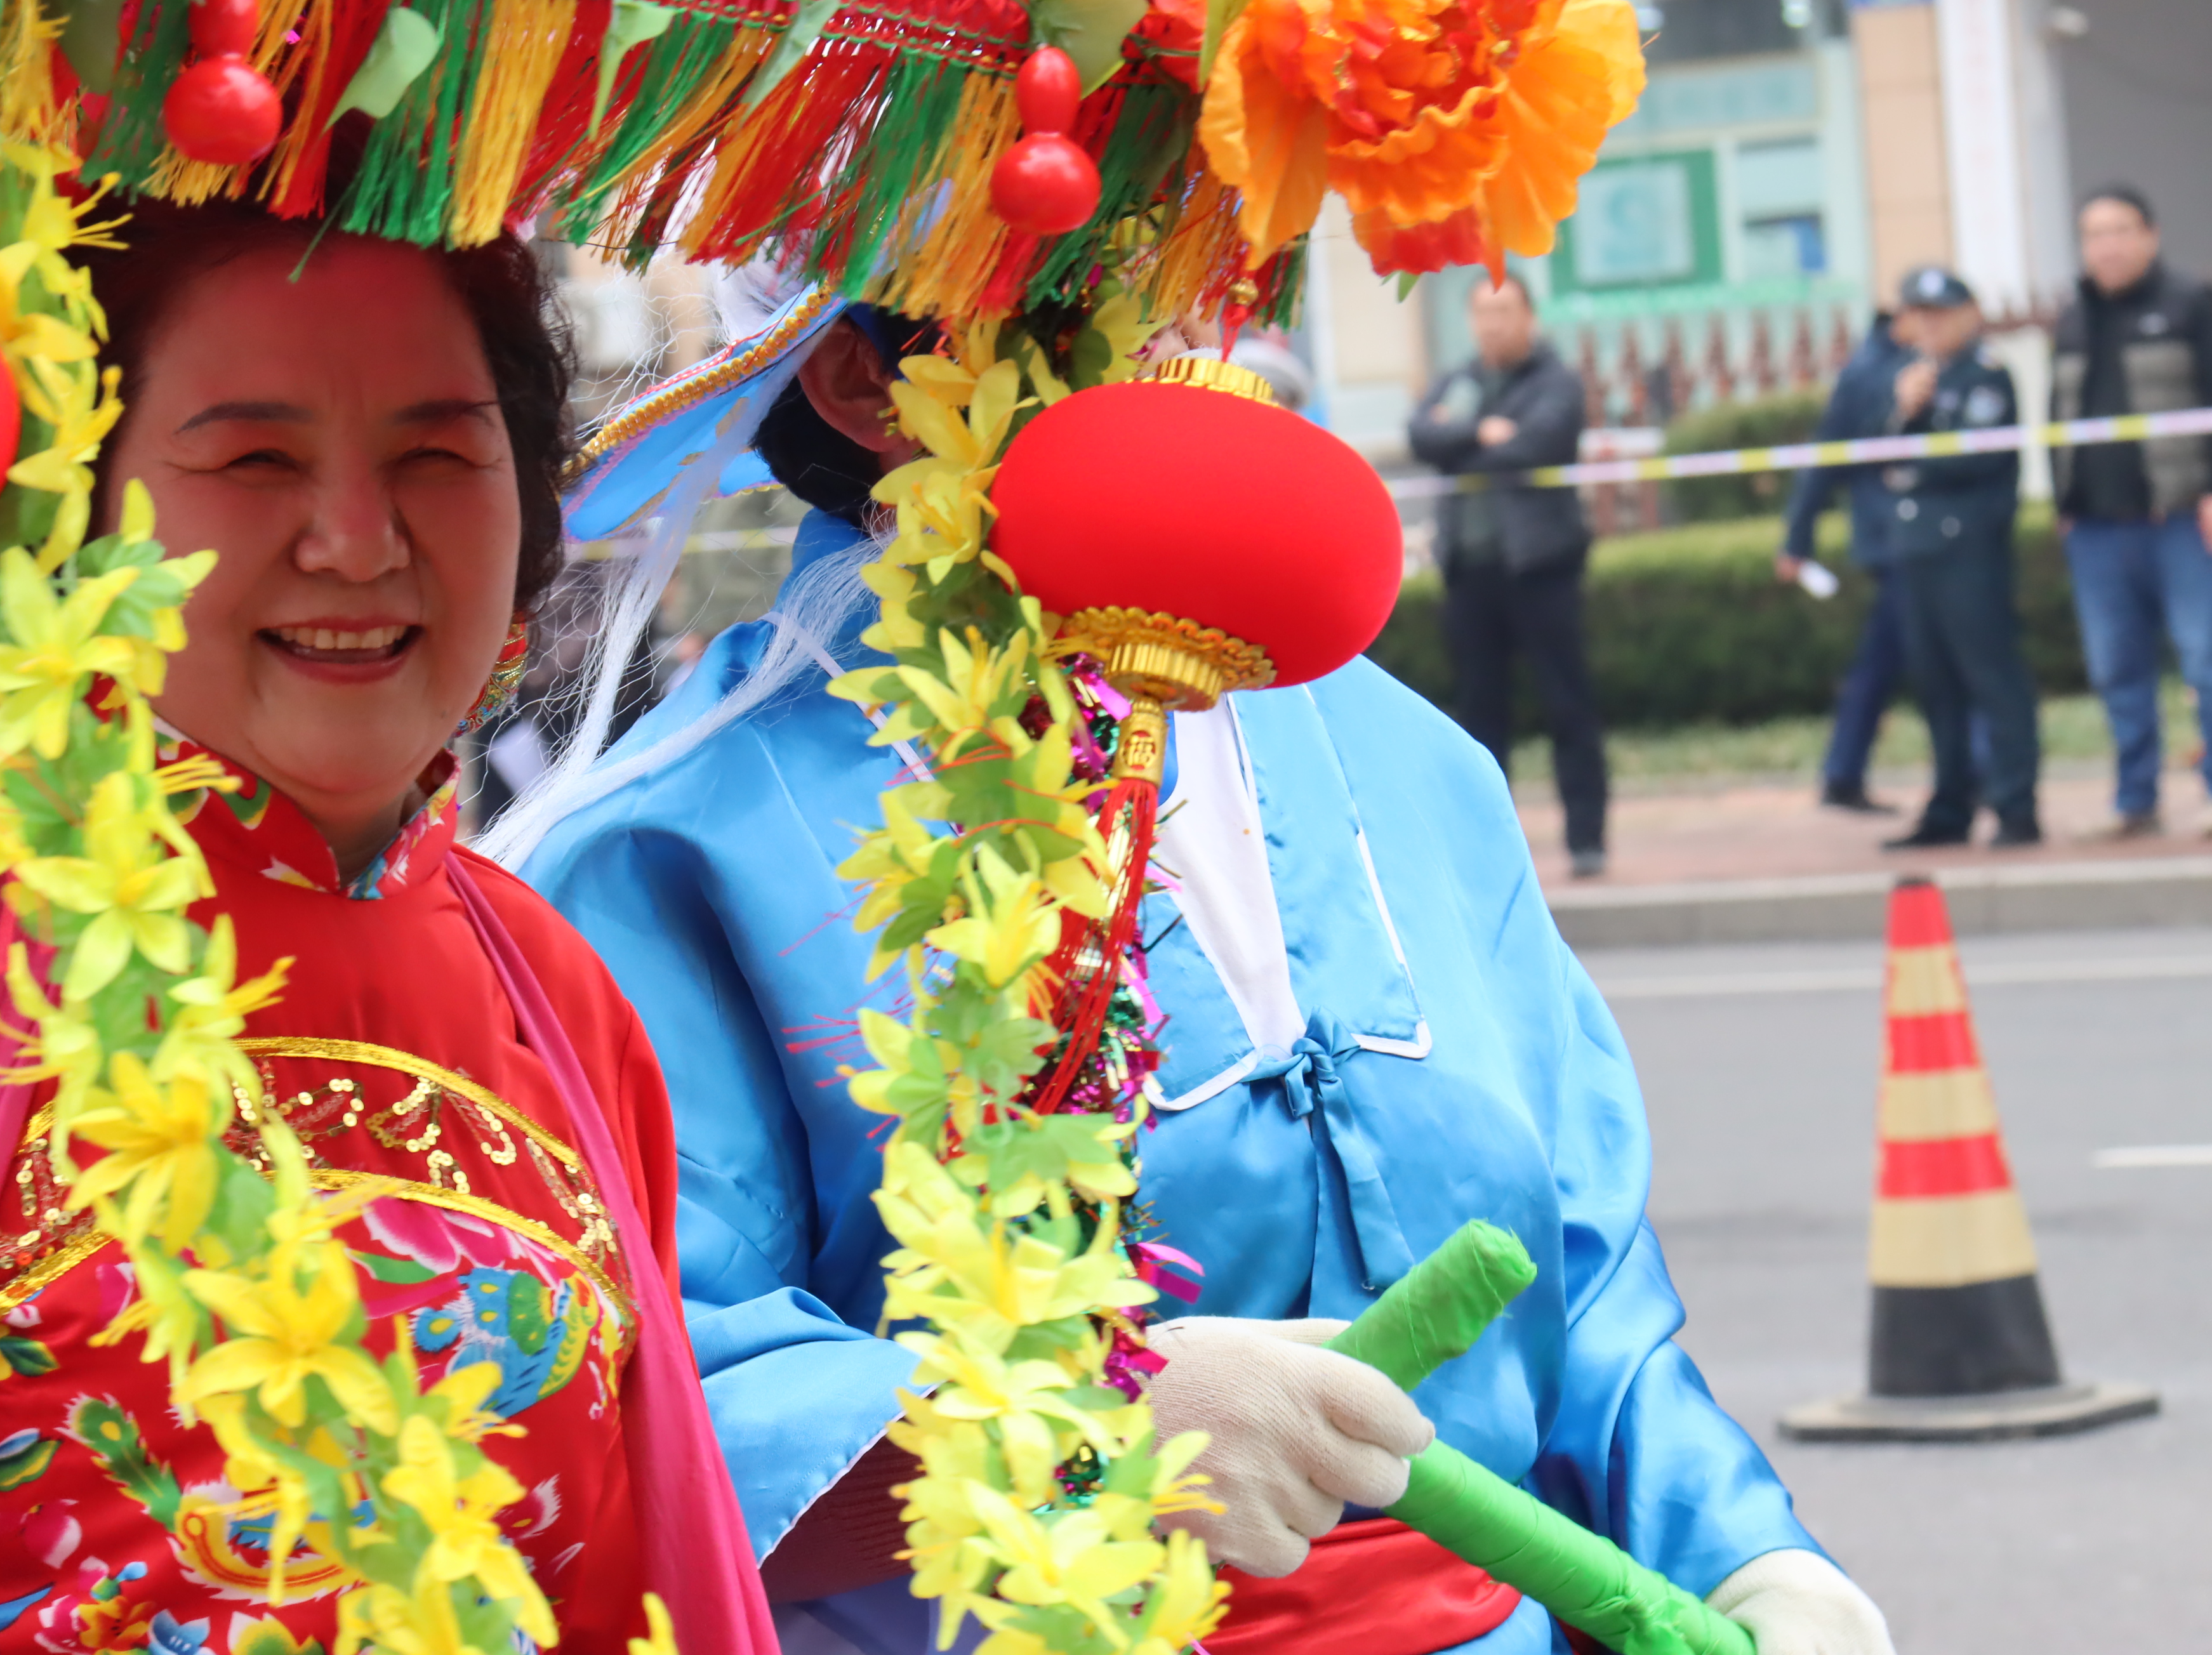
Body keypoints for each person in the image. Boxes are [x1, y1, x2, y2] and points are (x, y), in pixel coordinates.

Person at [506, 295, 1894, 1655]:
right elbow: (646, 1415)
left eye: (1214, 282)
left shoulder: (1401, 751)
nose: (1195, 348)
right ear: (863, 383)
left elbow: (1583, 1269)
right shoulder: (671, 844)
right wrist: (1075, 1432)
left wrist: (1746, 1557)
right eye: (1113, 293)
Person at [0, 198, 769, 1649]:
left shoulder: (552, 990)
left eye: (436, 455)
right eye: (254, 459)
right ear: (68, 520)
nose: (358, 542)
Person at [1406, 274, 1610, 877]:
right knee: (1479, 718)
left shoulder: (1556, 381)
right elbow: (1420, 436)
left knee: (1567, 706)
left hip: (1541, 569)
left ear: (1529, 316)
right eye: (1483, 312)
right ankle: (1487, 853)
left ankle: (1587, 841)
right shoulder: (1459, 381)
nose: (1493, 324)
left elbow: (1537, 445)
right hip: (1469, 574)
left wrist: (1462, 444)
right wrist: (1478, 432)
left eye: (1505, 310)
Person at [2049, 185, 2212, 839]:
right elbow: (2056, 414)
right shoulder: (2071, 317)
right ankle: (2135, 799)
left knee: (2204, 660)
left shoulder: (2189, 302)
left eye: (2119, 230)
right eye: (2093, 234)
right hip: (2095, 527)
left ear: (2149, 234)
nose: (2106, 246)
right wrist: (2062, 500)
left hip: (2177, 519)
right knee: (2116, 668)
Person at [1879, 267, 2041, 850]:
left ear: (1969, 315)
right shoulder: (1916, 378)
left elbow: (1972, 457)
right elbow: (1880, 452)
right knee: (1936, 684)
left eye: (1941, 314)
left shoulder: (1986, 374)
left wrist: (1913, 463)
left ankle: (2016, 806)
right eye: (1920, 315)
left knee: (1992, 678)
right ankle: (1950, 807)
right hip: (1920, 549)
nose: (1930, 326)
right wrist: (1906, 412)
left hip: (1969, 549)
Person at [1779, 300, 1914, 812]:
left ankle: (1843, 772)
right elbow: (1827, 456)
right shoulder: (1869, 373)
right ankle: (1844, 772)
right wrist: (1797, 541)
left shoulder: (1903, 362)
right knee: (1926, 657)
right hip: (1894, 540)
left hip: (1905, 538)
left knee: (1886, 659)